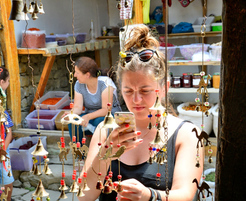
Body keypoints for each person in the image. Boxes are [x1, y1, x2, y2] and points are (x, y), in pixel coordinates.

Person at [79, 25, 204, 201]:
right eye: (128, 91)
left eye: (145, 91)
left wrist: (150, 195)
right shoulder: (104, 130)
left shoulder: (186, 135)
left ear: (164, 88)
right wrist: (106, 153)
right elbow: (84, 196)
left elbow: (186, 194)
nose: (136, 100)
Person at [66, 56, 121, 142]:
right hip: (90, 117)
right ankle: (79, 152)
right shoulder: (78, 84)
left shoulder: (105, 83)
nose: (75, 75)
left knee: (99, 122)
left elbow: (106, 110)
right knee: (73, 122)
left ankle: (100, 151)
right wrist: (70, 114)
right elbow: (77, 108)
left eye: (77, 72)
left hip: (110, 116)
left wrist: (87, 116)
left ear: (87, 75)